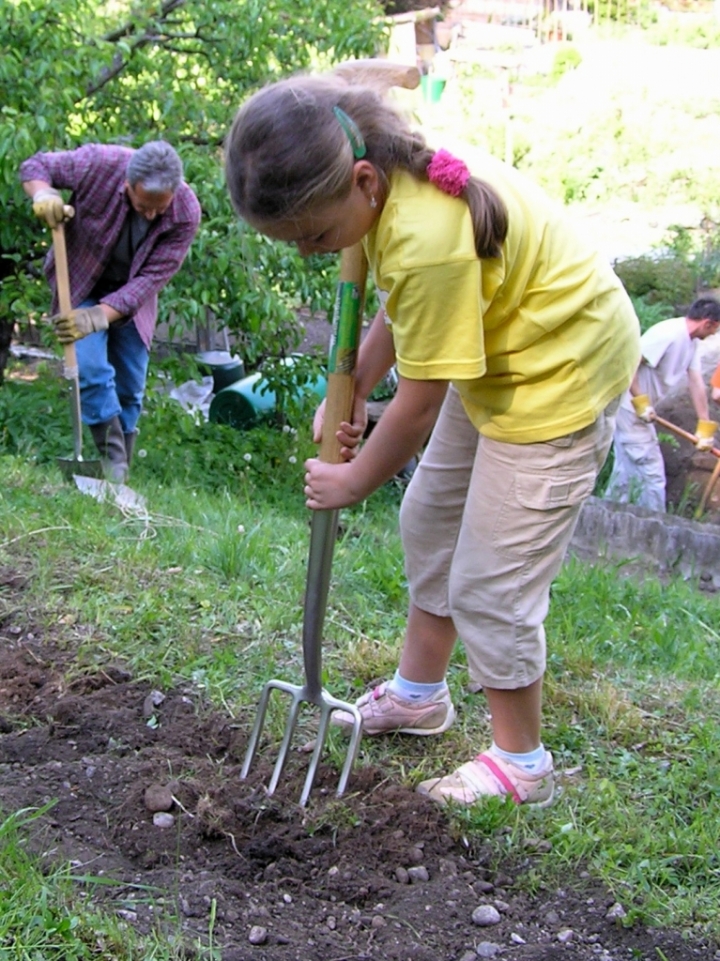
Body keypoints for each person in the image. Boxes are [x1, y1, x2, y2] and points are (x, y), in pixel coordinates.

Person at [224, 68, 640, 808]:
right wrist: (346, 386)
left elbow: (416, 406)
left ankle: (523, 763)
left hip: (556, 371)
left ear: (363, 182)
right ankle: (420, 694)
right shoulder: (383, 177)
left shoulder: (425, 237)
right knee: (429, 522)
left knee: (491, 581)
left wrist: (355, 479)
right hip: (489, 351)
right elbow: (403, 315)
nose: (310, 254)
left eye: (316, 234)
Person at [20, 141, 201, 482]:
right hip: (81, 283)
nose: (150, 215)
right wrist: (43, 195)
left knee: (130, 386)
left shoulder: (185, 212)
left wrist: (97, 317)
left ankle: (119, 474)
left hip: (133, 301)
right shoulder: (99, 164)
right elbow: (35, 165)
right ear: (128, 185)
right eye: (143, 205)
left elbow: (149, 281)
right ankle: (112, 461)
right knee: (88, 367)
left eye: (158, 209)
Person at [605, 297, 720, 512]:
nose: (714, 334)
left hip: (637, 410)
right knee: (651, 470)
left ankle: (609, 515)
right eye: (715, 329)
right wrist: (641, 402)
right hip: (629, 408)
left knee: (625, 470)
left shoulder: (691, 342)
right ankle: (656, 523)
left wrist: (704, 426)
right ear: (708, 323)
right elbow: (629, 364)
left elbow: (695, 381)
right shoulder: (668, 334)